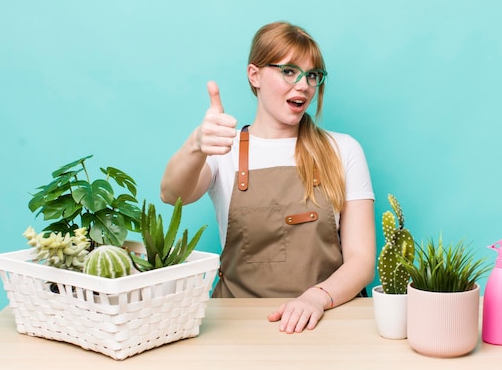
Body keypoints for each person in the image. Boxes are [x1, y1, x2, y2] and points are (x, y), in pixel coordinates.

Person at [160, 21, 375, 334]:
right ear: (254, 75)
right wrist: (196, 146)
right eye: (288, 71)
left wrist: (317, 298)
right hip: (239, 326)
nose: (303, 85)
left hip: (329, 319)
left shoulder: (343, 149)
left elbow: (362, 258)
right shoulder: (223, 148)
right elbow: (171, 194)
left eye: (312, 75)